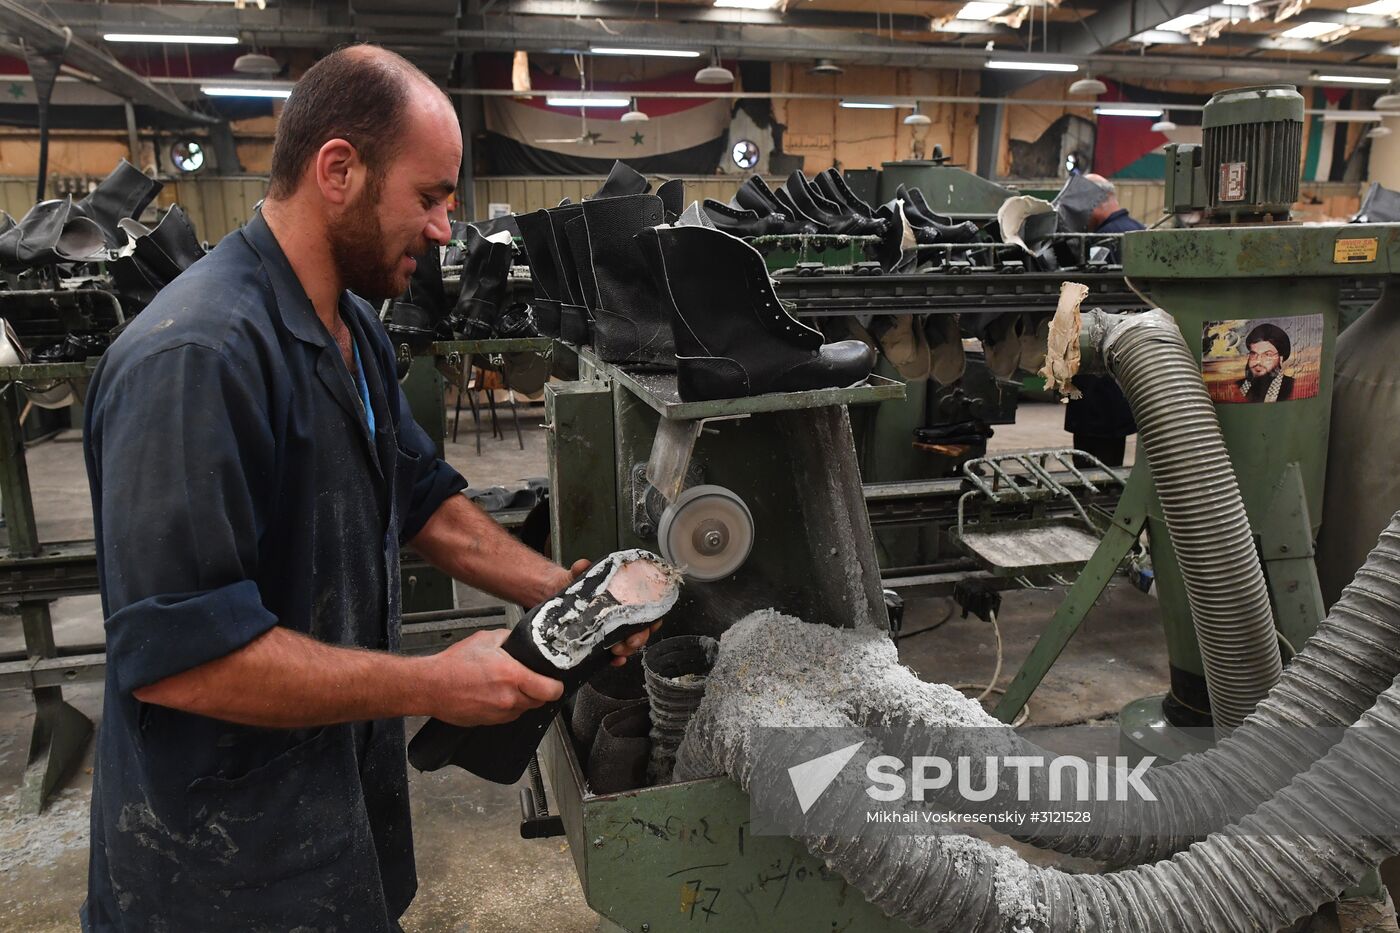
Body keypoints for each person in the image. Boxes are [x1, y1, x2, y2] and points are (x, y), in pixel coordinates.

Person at [80, 45, 654, 932]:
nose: (441, 230)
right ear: (339, 170)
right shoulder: (195, 361)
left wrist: (569, 597)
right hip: (217, 873)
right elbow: (180, 657)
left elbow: (420, 497)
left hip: (334, 824)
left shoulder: (352, 328)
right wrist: (430, 682)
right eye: (428, 197)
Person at [1063, 174, 1142, 467]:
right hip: (1124, 363)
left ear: (1093, 202)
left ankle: (1091, 502)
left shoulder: (1103, 241)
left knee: (1093, 457)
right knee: (1110, 452)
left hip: (1099, 367)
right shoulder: (1137, 232)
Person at [1235, 322, 1295, 403]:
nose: (1258, 360)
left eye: (1267, 354)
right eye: (1253, 354)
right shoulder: (1237, 387)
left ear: (1281, 359)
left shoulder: (1293, 387)